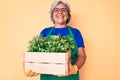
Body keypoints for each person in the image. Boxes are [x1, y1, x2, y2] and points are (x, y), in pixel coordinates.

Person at [25, 0, 86, 80]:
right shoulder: (45, 32)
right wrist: (32, 66)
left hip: (70, 77)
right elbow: (38, 55)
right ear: (52, 14)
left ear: (68, 15)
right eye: (56, 10)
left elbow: (82, 55)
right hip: (47, 78)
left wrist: (74, 68)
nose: (60, 12)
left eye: (64, 10)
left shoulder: (75, 33)